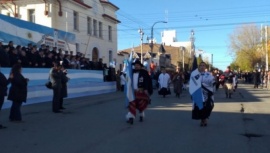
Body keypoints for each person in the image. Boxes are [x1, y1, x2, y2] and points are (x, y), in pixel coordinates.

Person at [126, 60, 153, 124]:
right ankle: (131, 118)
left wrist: (146, 89)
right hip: (132, 92)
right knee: (132, 104)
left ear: (140, 66)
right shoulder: (131, 72)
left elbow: (147, 81)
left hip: (141, 91)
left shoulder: (144, 73)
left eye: (138, 65)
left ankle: (141, 114)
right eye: (135, 65)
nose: (136, 66)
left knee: (140, 105)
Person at [189, 62, 215, 127]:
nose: (202, 67)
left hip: (207, 94)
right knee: (199, 107)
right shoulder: (195, 75)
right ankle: (202, 120)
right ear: (199, 67)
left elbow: (212, 81)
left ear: (205, 67)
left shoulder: (208, 74)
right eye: (201, 65)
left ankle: (205, 119)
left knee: (207, 107)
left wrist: (213, 82)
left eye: (203, 65)